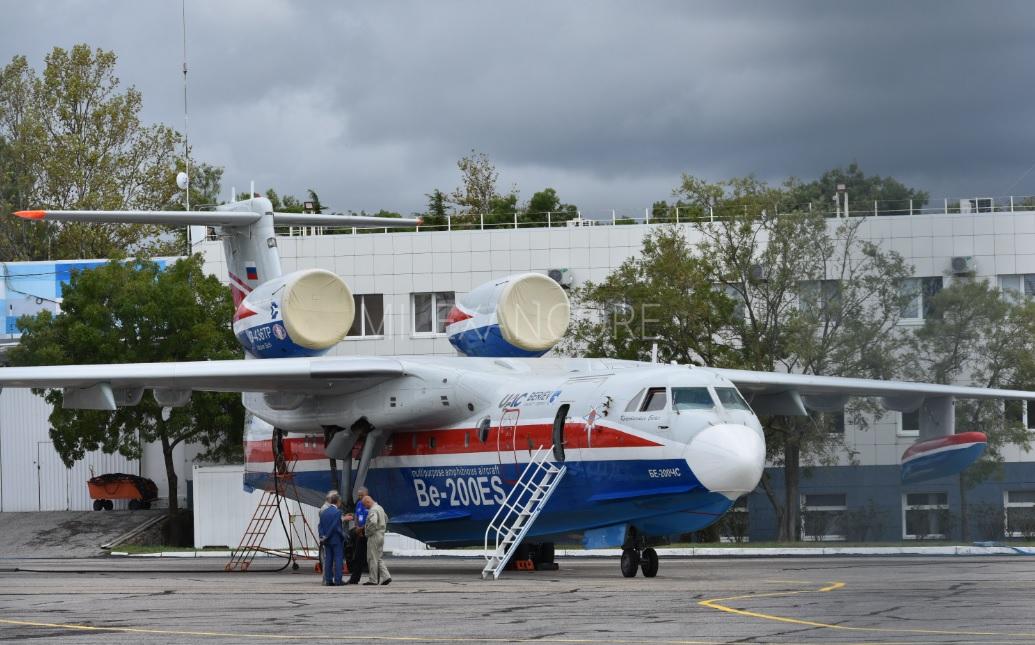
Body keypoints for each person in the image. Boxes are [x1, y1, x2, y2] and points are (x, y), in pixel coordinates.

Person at [362, 494, 391, 585]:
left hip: (374, 535)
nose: (364, 507)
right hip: (381, 535)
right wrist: (382, 528)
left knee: (372, 558)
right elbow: (386, 518)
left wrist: (368, 532)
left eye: (365, 505)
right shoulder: (380, 508)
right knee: (378, 558)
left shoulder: (373, 510)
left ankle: (373, 580)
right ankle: (386, 576)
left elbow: (373, 522)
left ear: (368, 502)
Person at [318, 491, 345, 586]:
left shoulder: (324, 512)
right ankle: (338, 580)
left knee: (328, 559)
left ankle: (328, 580)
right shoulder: (338, 512)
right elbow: (336, 526)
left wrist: (322, 536)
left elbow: (320, 526)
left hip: (326, 540)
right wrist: (344, 535)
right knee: (338, 559)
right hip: (336, 539)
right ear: (338, 502)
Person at [344, 486, 368, 585]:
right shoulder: (358, 504)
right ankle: (354, 579)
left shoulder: (369, 504)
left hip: (367, 533)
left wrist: (362, 529)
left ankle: (377, 577)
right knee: (358, 556)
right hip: (359, 533)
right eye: (358, 495)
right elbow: (357, 517)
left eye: (362, 495)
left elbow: (371, 520)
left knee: (371, 558)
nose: (360, 497)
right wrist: (357, 526)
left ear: (366, 495)